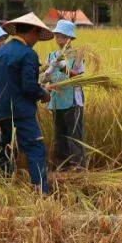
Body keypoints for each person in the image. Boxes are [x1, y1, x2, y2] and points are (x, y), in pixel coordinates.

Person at [0, 12, 52, 194]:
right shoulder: (28, 54)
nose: (37, 41)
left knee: (5, 151)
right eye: (37, 36)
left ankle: (3, 192)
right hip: (21, 113)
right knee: (35, 148)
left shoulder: (0, 53)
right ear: (33, 31)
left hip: (1, 111)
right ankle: (41, 193)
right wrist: (43, 93)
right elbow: (28, 87)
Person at [42, 20, 86, 170]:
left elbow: (80, 77)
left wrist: (62, 68)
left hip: (73, 100)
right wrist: (45, 80)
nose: (59, 39)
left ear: (70, 38)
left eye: (62, 36)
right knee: (59, 134)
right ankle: (62, 165)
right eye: (57, 35)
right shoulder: (51, 56)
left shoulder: (77, 55)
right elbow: (46, 79)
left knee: (74, 134)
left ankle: (78, 165)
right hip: (56, 100)